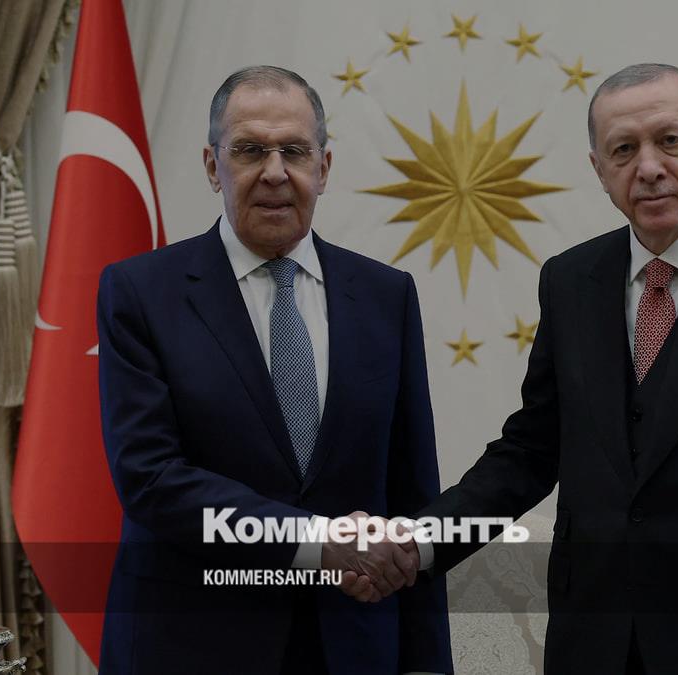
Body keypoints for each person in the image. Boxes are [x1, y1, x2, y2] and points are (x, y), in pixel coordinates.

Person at [354, 63, 678, 673]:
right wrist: (419, 542)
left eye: (670, 141)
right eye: (623, 149)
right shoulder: (571, 281)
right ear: (599, 169)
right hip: (595, 645)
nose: (648, 167)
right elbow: (530, 452)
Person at [96, 65, 451, 674]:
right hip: (191, 647)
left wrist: (426, 662)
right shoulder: (140, 293)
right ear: (213, 167)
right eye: (249, 150)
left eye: (295, 151)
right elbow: (149, 477)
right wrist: (316, 542)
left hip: (354, 645)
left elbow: (411, 492)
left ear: (324, 168)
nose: (275, 172)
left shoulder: (386, 295)